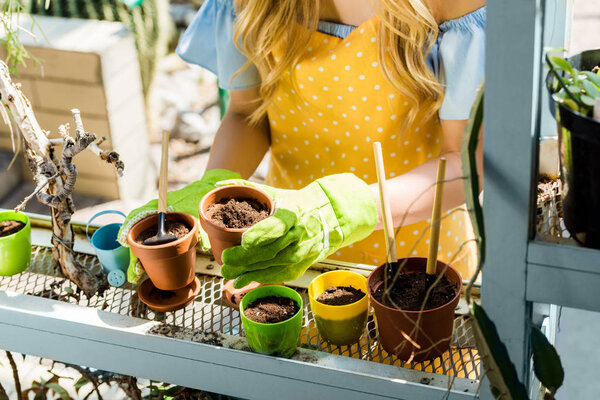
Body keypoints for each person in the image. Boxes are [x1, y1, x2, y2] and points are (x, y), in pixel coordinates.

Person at [121, 0, 485, 287]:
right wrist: (216, 186)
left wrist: (340, 212)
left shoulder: (451, 4)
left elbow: (466, 163)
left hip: (417, 262)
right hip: (288, 247)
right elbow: (248, 114)